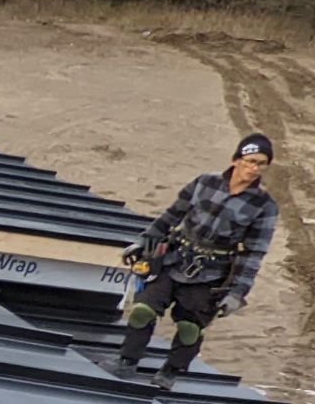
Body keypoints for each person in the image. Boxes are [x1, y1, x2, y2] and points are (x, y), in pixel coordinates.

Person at [109, 133, 278, 387]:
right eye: (250, 161)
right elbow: (172, 215)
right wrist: (145, 241)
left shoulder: (264, 206)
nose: (254, 168)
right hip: (174, 259)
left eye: (261, 164)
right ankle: (127, 362)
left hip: (211, 273)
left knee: (190, 327)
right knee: (142, 311)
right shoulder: (205, 182)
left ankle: (171, 371)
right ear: (236, 160)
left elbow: (254, 253)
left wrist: (237, 292)